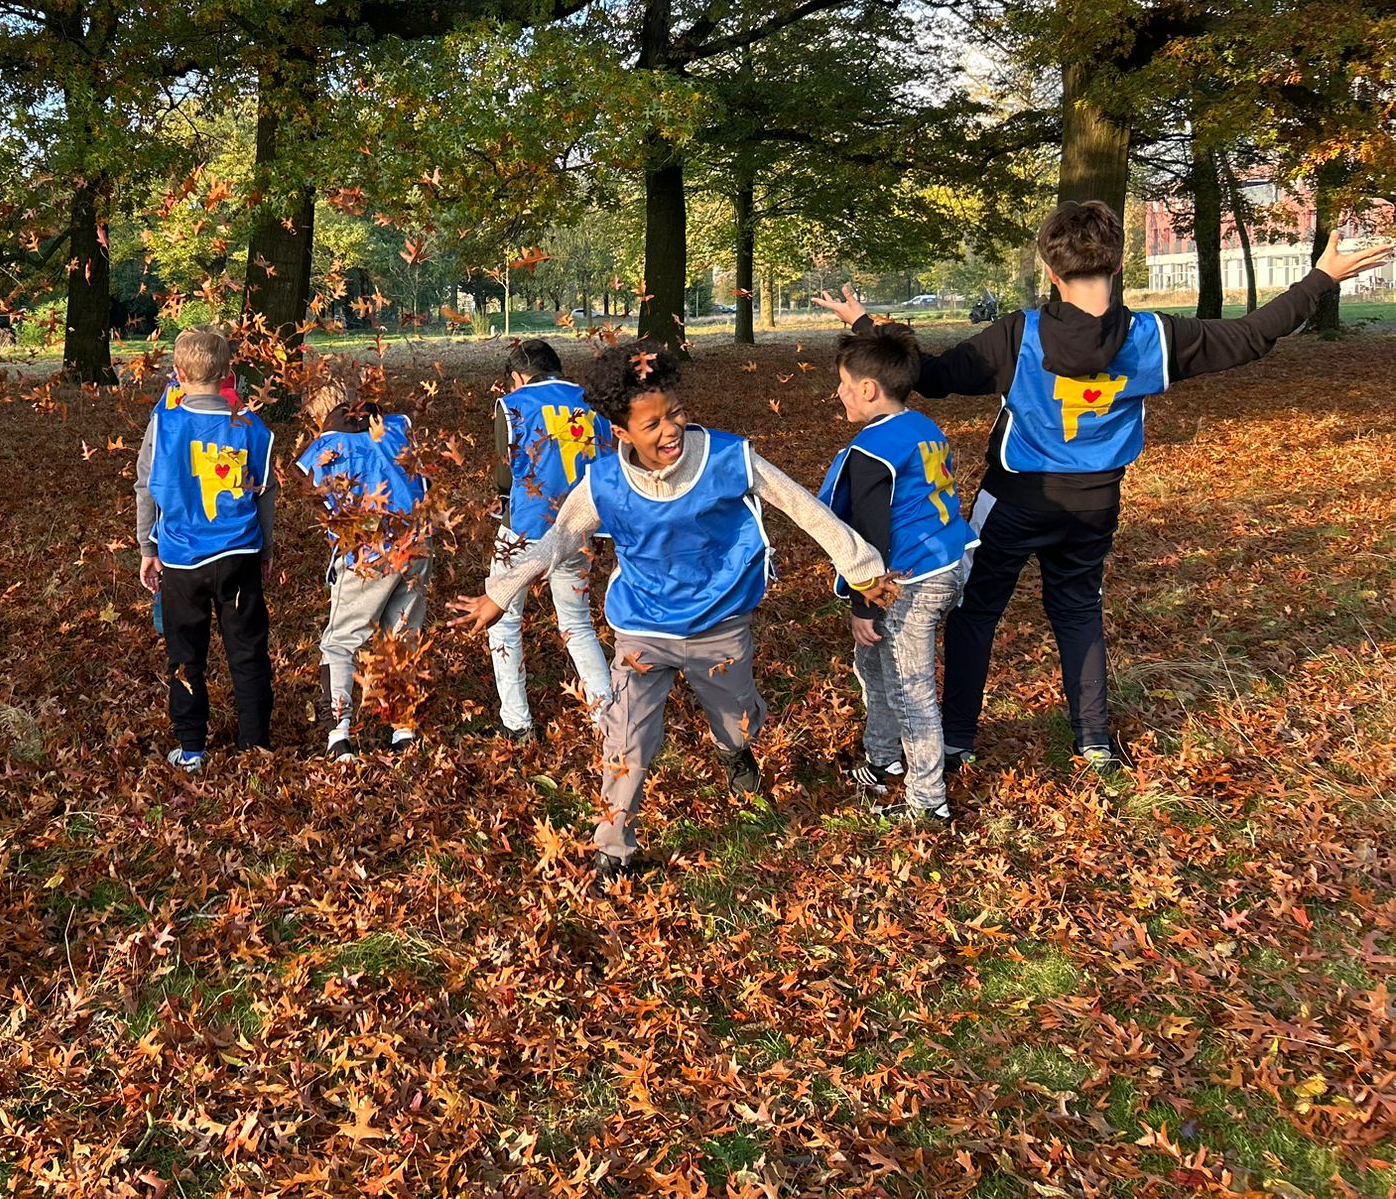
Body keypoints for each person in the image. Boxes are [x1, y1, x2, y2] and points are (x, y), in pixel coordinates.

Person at [814, 201, 1393, 772]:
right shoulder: (1153, 337)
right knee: (1077, 610)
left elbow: (930, 377)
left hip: (1014, 499)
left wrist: (867, 328)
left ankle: (958, 739)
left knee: (974, 612)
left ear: (1049, 269)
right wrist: (1321, 277)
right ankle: (1093, 741)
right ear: (1117, 266)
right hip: (1095, 504)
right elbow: (1250, 336)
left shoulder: (1022, 335)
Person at [448, 343, 897, 880]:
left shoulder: (728, 458)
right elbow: (559, 538)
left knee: (739, 722)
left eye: (676, 414)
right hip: (641, 629)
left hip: (719, 624)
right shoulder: (604, 482)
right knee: (626, 738)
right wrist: (502, 590)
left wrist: (862, 566)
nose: (670, 431)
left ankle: (733, 751)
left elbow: (802, 506)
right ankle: (614, 848)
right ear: (620, 433)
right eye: (652, 423)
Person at [816, 321, 972, 824]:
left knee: (910, 685)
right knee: (875, 667)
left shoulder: (870, 453)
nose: (837, 393)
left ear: (867, 389)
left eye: (842, 384)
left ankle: (927, 800)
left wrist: (864, 604)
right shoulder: (922, 426)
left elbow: (869, 537)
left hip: (908, 581)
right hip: (948, 563)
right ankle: (882, 758)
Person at [135, 326, 276, 768]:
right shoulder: (252, 427)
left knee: (185, 652)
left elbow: (145, 487)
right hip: (238, 554)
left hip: (181, 560)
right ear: (229, 372)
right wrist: (266, 549)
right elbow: (265, 492)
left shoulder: (164, 423)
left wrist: (146, 547)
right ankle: (254, 744)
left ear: (177, 374)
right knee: (248, 648)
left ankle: (192, 746)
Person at [295, 368, 430, 760]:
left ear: (320, 411)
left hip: (365, 554)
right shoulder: (398, 427)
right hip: (416, 542)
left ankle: (339, 736)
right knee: (402, 635)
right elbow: (422, 478)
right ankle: (403, 730)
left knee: (340, 641)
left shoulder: (324, 446)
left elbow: (309, 488)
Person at [483, 340, 614, 741]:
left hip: (524, 530)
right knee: (576, 623)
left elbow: (505, 476)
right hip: (580, 528)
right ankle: (607, 719)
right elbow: (608, 465)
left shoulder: (512, 404)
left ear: (518, 376)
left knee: (504, 621)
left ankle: (517, 723)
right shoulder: (593, 403)